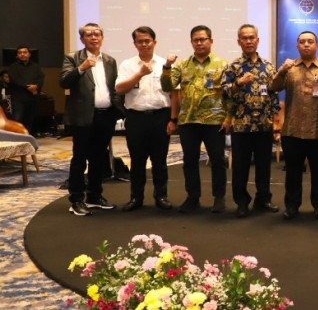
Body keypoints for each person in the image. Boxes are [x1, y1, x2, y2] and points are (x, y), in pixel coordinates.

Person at [161, 25, 231, 214]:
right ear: (191, 42)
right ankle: (193, 197)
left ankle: (219, 197)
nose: (199, 43)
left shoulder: (223, 64)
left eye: (203, 39)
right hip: (188, 121)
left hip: (214, 121)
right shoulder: (183, 65)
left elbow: (229, 94)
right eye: (196, 40)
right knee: (190, 161)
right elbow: (167, 85)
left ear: (211, 41)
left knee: (217, 160)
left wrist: (228, 118)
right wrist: (167, 67)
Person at [274, 31, 318, 220]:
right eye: (302, 42)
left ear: (317, 45)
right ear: (297, 46)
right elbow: (273, 87)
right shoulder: (289, 69)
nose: (306, 45)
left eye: (310, 41)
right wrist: (281, 71)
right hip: (292, 131)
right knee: (293, 173)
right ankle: (292, 206)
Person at [59, 23, 124, 216]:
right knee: (80, 158)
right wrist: (81, 68)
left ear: (102, 38)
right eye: (89, 35)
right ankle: (76, 199)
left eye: (97, 34)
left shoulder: (110, 61)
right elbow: (63, 81)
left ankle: (95, 196)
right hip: (83, 117)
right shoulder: (72, 58)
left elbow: (113, 88)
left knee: (99, 158)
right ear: (82, 39)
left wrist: (118, 110)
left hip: (106, 115)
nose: (94, 37)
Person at [115, 26, 177, 211]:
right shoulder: (127, 64)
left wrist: (173, 120)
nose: (144, 44)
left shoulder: (165, 64)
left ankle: (161, 196)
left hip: (160, 116)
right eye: (140, 41)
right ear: (135, 44)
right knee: (137, 160)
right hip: (136, 118)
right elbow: (120, 89)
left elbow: (174, 94)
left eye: (147, 41)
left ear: (154, 42)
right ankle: (136, 198)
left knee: (160, 160)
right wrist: (139, 74)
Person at [222, 24, 281, 218]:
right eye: (244, 38)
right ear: (239, 41)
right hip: (241, 125)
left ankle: (263, 199)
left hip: (264, 125)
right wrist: (238, 83)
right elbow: (224, 92)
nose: (248, 41)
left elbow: (273, 95)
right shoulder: (234, 66)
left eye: (252, 38)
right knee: (240, 167)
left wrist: (276, 122)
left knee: (264, 166)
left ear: (257, 40)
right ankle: (241, 202)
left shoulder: (268, 66)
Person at [7, 46, 44, 134]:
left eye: (25, 52)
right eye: (20, 53)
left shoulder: (36, 66)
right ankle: (17, 140)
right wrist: (28, 87)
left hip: (32, 98)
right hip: (18, 98)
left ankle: (27, 139)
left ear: (29, 54)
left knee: (30, 120)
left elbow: (41, 78)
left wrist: (37, 86)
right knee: (17, 119)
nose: (22, 54)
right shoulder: (13, 67)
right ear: (17, 56)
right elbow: (14, 79)